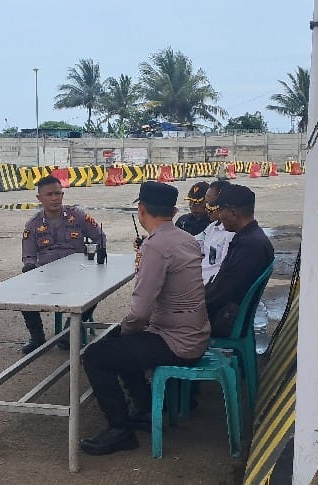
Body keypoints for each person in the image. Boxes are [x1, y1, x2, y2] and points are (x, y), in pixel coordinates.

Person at [80, 181, 210, 456]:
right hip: (193, 334)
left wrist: (126, 331)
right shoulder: (185, 238)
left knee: (95, 355)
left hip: (176, 342)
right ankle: (144, 409)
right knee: (121, 340)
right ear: (173, 211)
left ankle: (120, 430)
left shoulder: (155, 246)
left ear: (141, 210)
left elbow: (140, 313)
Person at [20, 175, 106, 353]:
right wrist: (30, 269)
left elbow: (100, 237)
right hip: (47, 277)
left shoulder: (78, 216)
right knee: (21, 291)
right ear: (39, 198)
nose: (55, 198)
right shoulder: (32, 225)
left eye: (58, 193)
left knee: (97, 290)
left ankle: (69, 333)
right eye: (49, 194)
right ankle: (37, 337)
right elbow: (28, 256)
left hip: (78, 275)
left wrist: (94, 254)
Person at [205, 184, 274, 338]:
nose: (219, 216)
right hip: (228, 313)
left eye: (221, 210)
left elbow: (223, 292)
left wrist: (192, 307)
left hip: (224, 319)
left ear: (233, 213)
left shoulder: (250, 246)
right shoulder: (251, 238)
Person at [196, 180, 234, 285]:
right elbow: (195, 243)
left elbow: (224, 271)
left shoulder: (230, 234)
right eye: (206, 203)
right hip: (199, 280)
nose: (206, 208)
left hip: (208, 286)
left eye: (210, 204)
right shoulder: (213, 226)